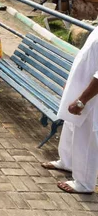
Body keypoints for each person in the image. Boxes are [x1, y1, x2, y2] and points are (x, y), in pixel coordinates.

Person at [41, 28, 98, 194]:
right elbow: (87, 57)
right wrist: (71, 81)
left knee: (86, 139)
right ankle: (67, 162)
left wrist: (82, 101)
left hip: (91, 97)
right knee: (71, 128)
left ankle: (84, 183)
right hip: (80, 90)